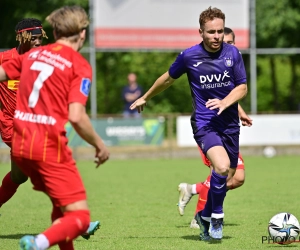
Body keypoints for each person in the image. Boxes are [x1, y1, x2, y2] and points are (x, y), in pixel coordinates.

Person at [130, 7, 248, 240]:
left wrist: (226, 103)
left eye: (220, 31)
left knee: (231, 175)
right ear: (201, 32)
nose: (217, 36)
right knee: (222, 167)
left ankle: (203, 214)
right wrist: (146, 96)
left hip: (230, 125)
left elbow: (242, 87)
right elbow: (167, 78)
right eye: (211, 32)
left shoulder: (233, 54)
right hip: (205, 124)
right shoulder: (189, 56)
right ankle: (216, 218)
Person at [0, 6, 110, 250]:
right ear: (82, 34)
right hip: (41, 142)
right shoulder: (78, 65)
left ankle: (65, 223)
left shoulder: (31, 57)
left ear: (54, 31)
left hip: (21, 143)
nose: (38, 41)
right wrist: (100, 144)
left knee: (50, 201)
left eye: (41, 36)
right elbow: (77, 116)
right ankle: (42, 241)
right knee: (79, 218)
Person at [177, 27, 253, 230]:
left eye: (231, 43)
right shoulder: (207, 62)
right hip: (209, 127)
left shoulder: (231, 61)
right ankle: (200, 217)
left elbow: (230, 94)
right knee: (220, 172)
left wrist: (239, 111)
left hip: (228, 127)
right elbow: (214, 97)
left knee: (236, 177)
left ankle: (192, 190)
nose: (227, 46)